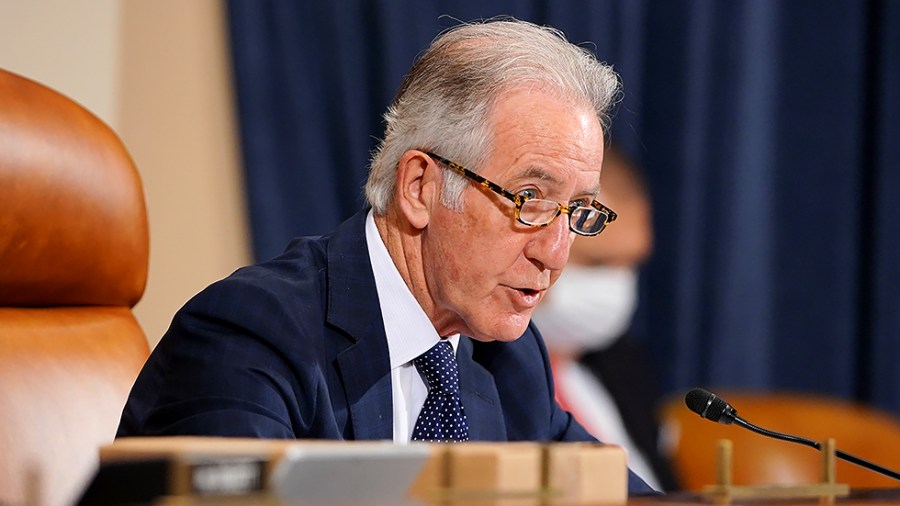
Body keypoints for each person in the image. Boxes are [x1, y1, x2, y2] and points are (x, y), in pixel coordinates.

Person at [117, 19, 655, 495]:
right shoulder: (255, 333)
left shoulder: (505, 358)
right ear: (420, 187)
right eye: (530, 200)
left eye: (578, 211)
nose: (555, 253)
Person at [531, 144, 678, 491]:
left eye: (631, 264)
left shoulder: (626, 365)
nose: (617, 285)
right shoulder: (462, 373)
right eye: (598, 263)